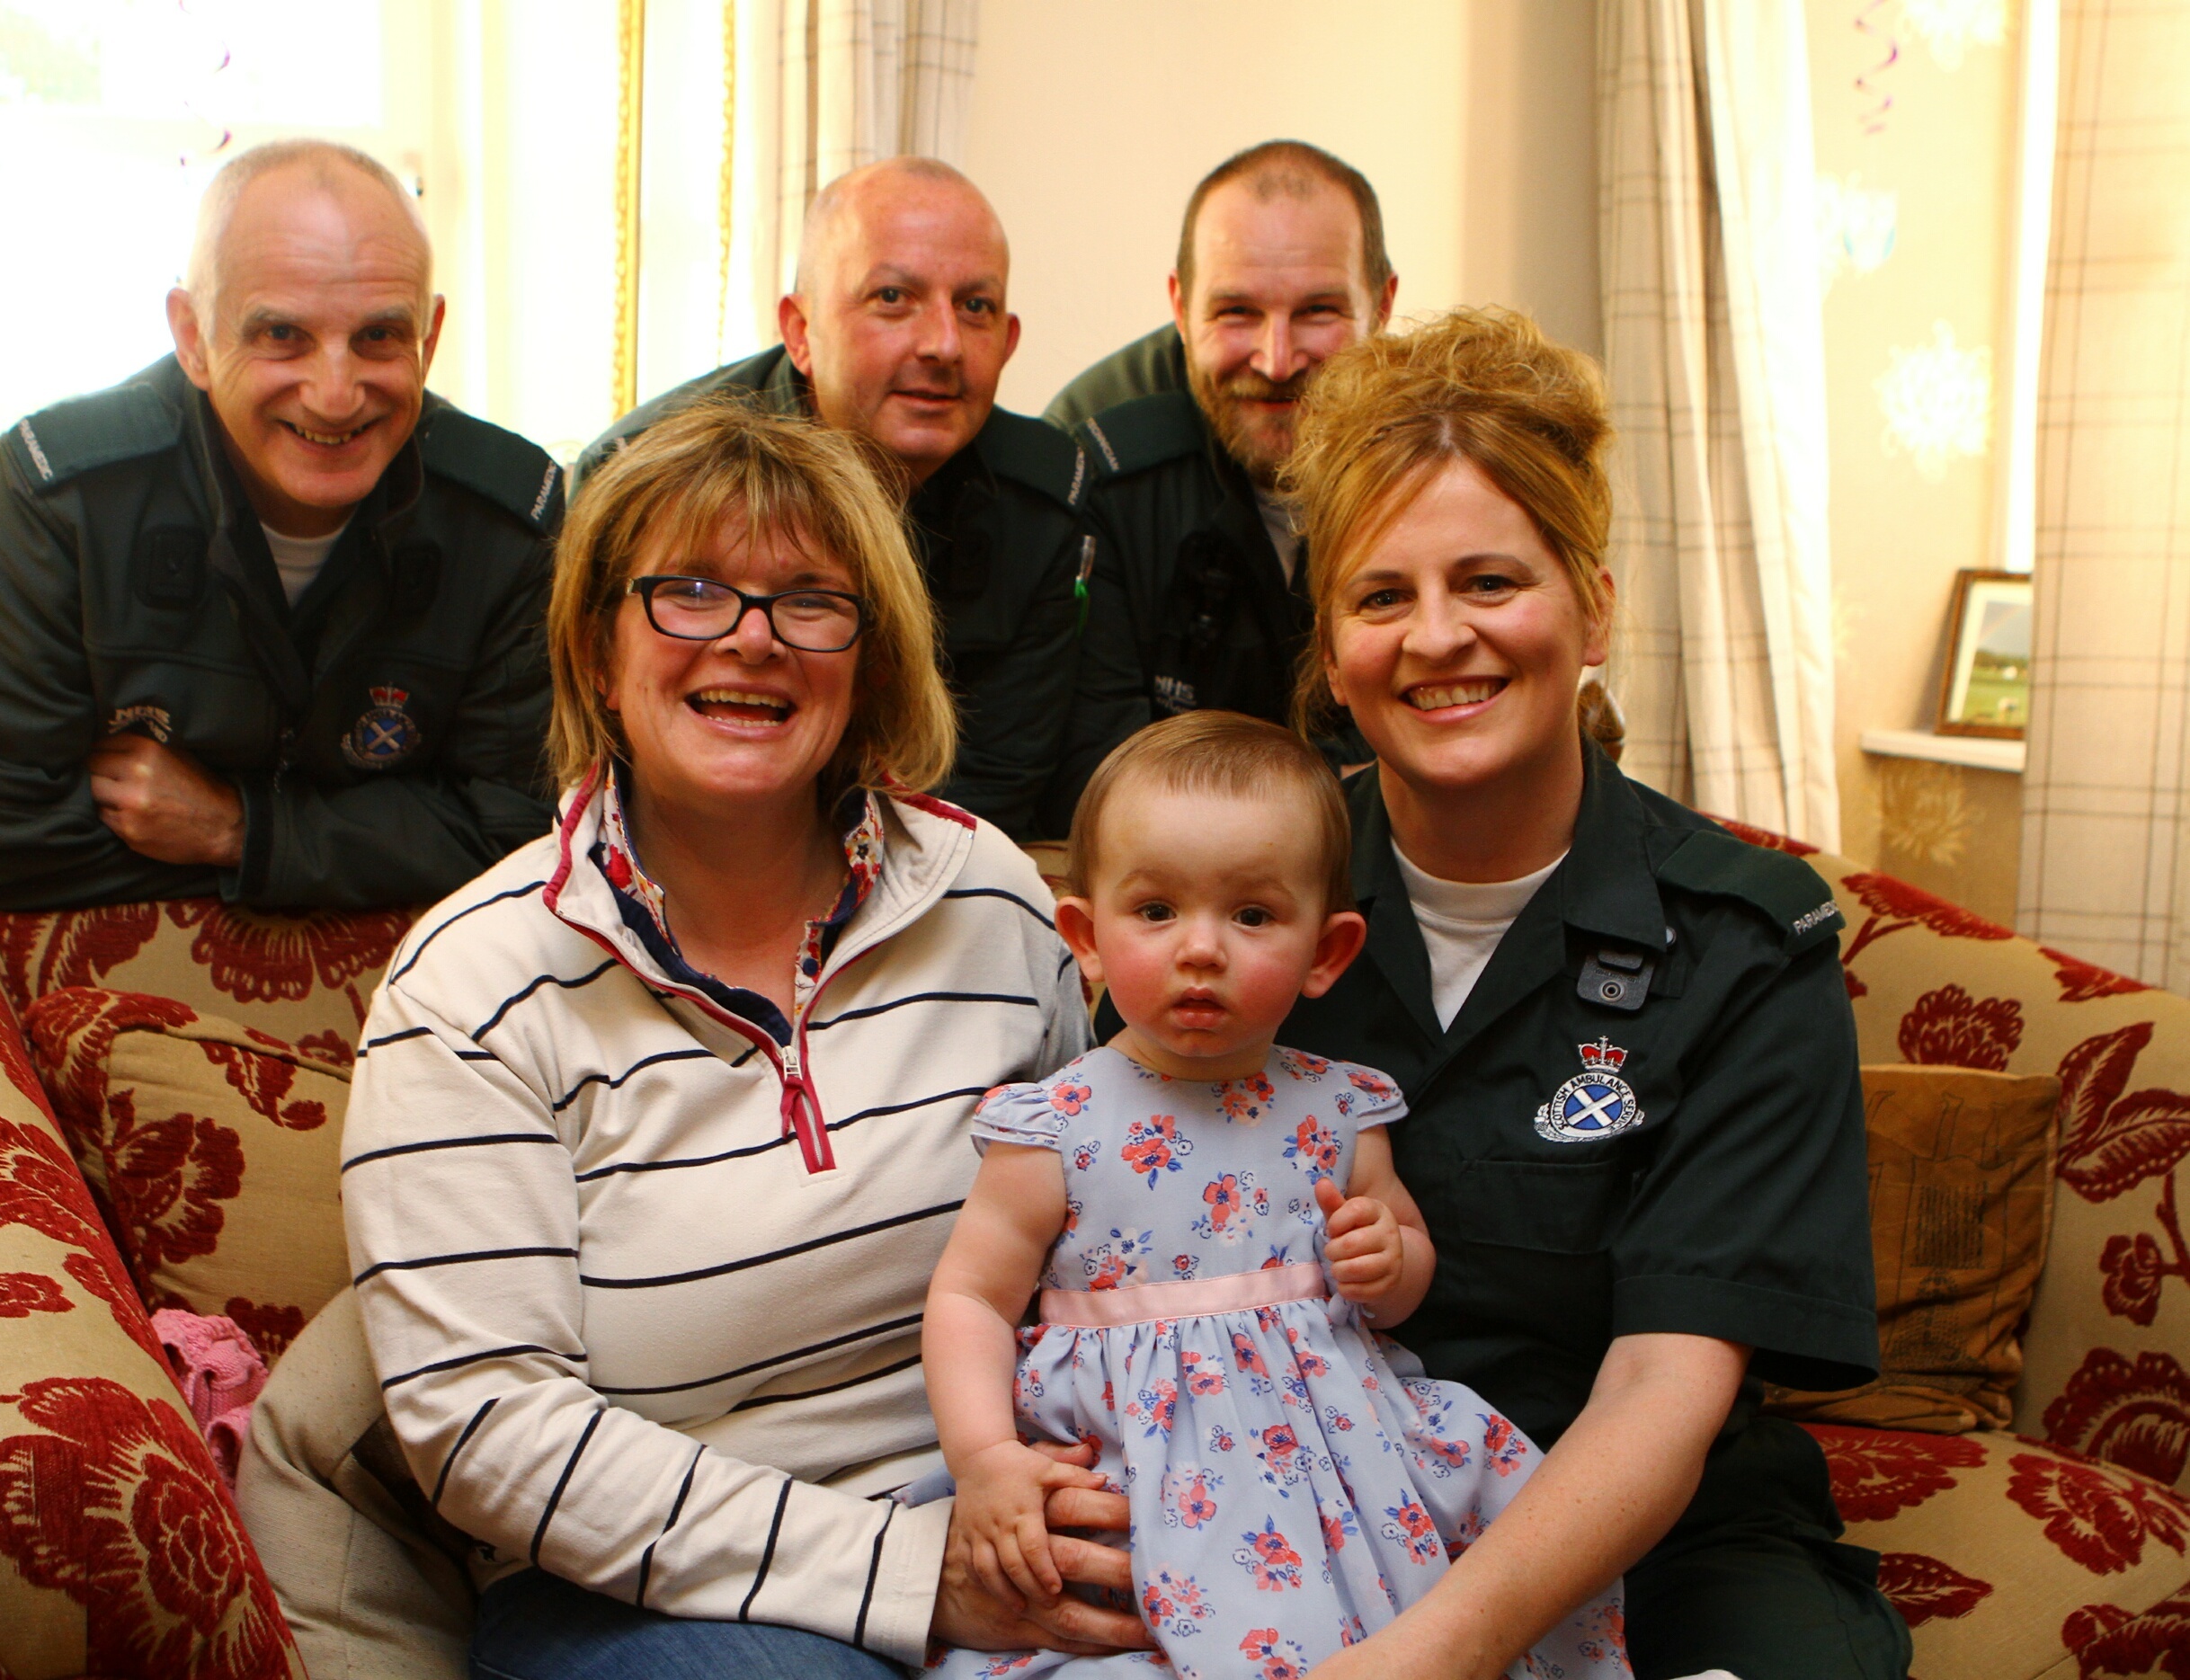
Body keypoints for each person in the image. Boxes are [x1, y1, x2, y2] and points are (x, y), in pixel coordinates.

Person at [341, 401, 1157, 1678]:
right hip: (655, 1594)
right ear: (598, 653)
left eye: (810, 601)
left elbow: (1105, 1239)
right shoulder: (471, 988)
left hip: (1008, 1514)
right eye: (692, 592)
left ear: (869, 658)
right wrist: (904, 1576)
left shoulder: (991, 898)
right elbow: (486, 1430)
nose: (754, 639)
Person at [1256, 307, 1905, 1679]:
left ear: (1592, 607)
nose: (1438, 638)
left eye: (1491, 581)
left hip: (1653, 1521)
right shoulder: (1245, 905)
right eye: (1381, 597)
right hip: (1305, 1495)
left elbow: (1662, 1389)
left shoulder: (1746, 941)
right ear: (1331, 648)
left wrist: (1429, 1655)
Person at [918, 711, 1631, 1679]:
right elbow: (967, 1300)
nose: (1201, 949)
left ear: (1326, 951)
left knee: (1455, 1575)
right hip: (1142, 1477)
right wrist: (983, 1458)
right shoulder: (1055, 1126)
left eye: (1250, 915)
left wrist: (1386, 1260)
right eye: (1156, 911)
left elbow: (1402, 1264)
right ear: (1084, 936)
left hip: (1339, 1468)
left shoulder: (1340, 1108)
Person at [0, 138, 562, 911]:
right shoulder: (64, 500)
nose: (335, 394)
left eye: (379, 336)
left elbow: (524, 844)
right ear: (192, 335)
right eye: (283, 335)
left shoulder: (510, 523)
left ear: (429, 337)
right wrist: (375, 842)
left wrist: (241, 831)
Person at [576, 157, 1090, 840]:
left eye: (975, 307)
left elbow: (998, 783)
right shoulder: (645, 477)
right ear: (800, 332)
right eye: (892, 298)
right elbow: (592, 748)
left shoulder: (1050, 498)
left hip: (930, 866)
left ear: (1008, 340)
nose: (942, 344)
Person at [1037, 141, 1398, 833]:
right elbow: (1102, 779)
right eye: (1236, 312)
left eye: (1319, 311)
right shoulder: (1096, 464)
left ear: (1382, 305)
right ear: (1179, 303)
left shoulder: (1433, 458)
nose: (1277, 359)